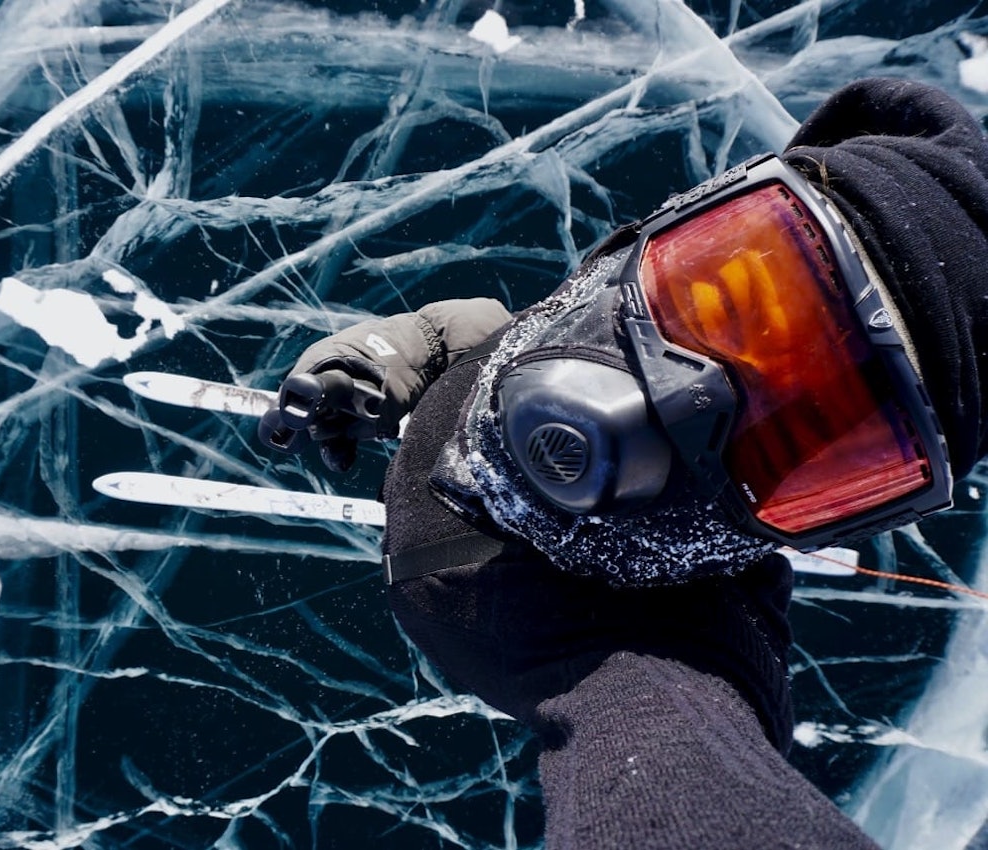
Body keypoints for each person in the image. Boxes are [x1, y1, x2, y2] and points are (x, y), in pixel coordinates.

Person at [259, 78, 988, 848]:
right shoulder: (580, 315)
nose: (662, 408)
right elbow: (510, 329)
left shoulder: (689, 667)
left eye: (792, 447)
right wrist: (414, 354)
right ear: (653, 233)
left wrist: (617, 692)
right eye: (721, 310)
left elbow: (704, 795)